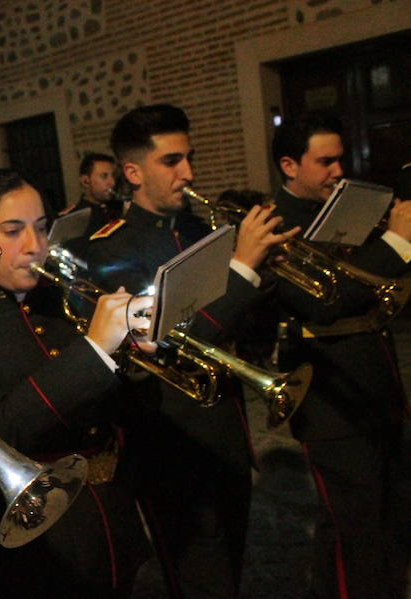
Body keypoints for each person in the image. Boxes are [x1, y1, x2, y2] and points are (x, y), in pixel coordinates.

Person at [85, 104, 298, 599]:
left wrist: (267, 272)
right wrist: (242, 268)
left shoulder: (202, 232)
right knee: (201, 583)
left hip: (225, 431)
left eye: (190, 158)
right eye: (172, 161)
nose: (190, 173)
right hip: (170, 446)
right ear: (133, 172)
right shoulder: (109, 248)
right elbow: (172, 340)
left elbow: (240, 324)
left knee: (233, 568)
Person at [0, 168, 155, 598]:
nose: (35, 247)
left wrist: (135, 360)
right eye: (13, 231)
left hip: (108, 518)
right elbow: (0, 429)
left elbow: (116, 411)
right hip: (28, 548)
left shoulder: (62, 297)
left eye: (42, 228)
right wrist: (95, 351)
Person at [270, 114, 411, 599]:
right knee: (355, 526)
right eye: (325, 161)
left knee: (393, 513)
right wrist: (395, 243)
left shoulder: (347, 207)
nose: (338, 171)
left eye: (339, 159)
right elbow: (320, 304)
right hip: (328, 397)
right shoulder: (275, 224)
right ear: (289, 165)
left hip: (377, 380)